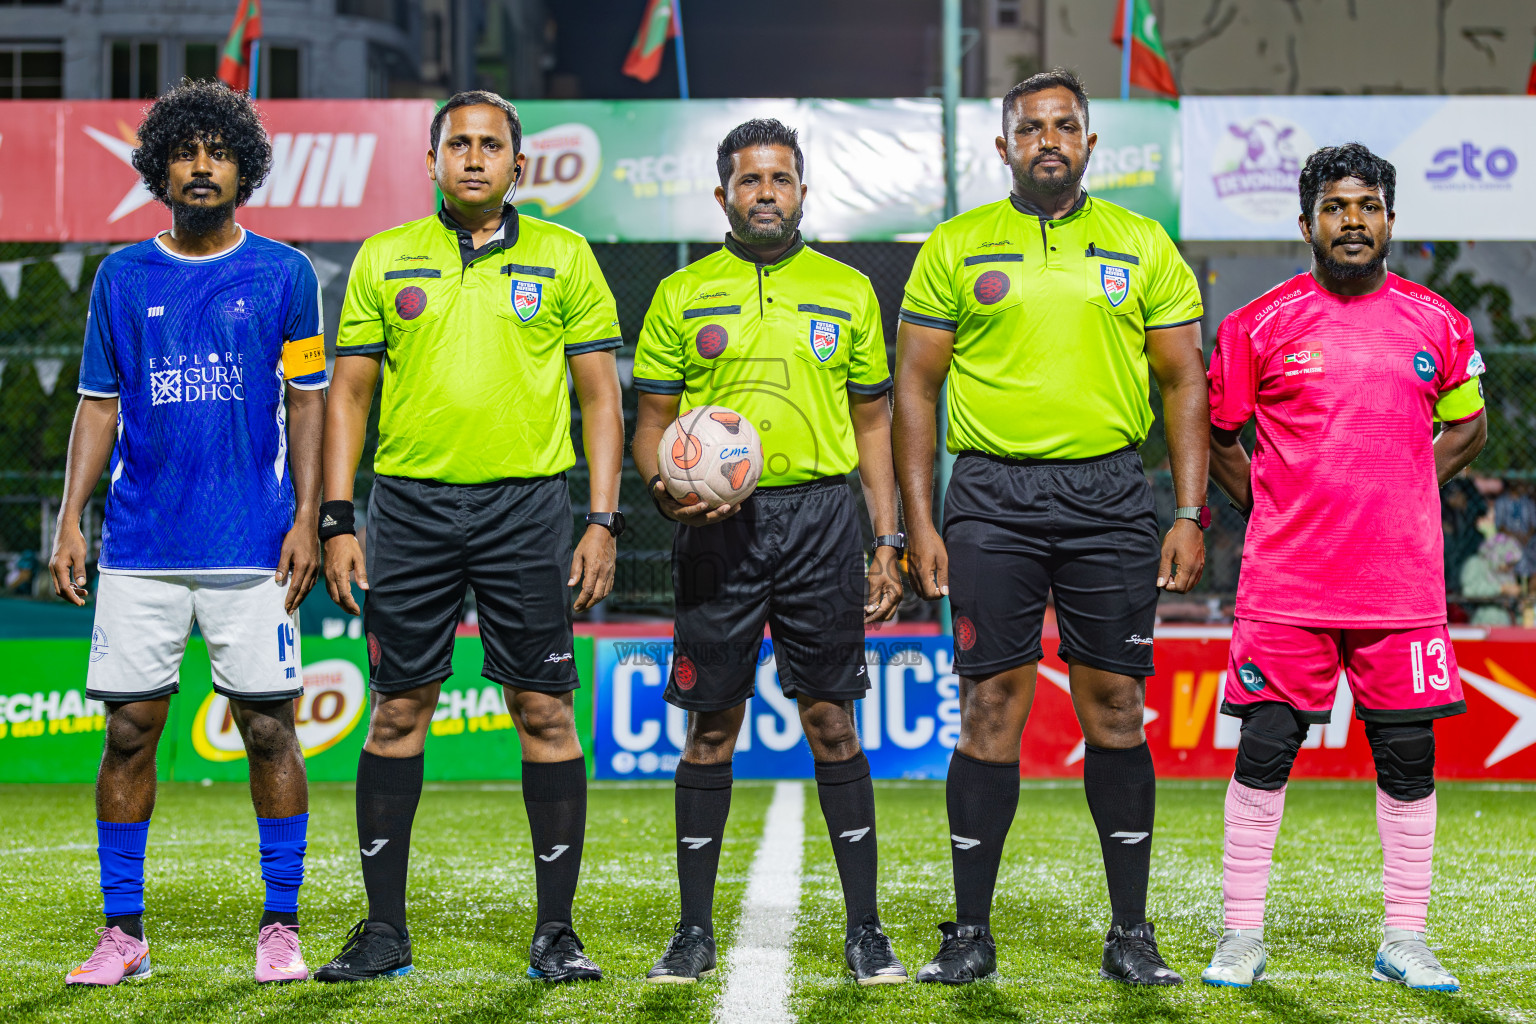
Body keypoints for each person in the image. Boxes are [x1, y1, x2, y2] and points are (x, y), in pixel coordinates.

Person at [892, 68, 1208, 986]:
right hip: (991, 498)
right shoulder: (956, 245)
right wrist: (920, 517)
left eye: (1064, 125)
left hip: (1111, 496)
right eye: (1029, 128)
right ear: (1003, 146)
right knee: (991, 708)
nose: (1048, 140)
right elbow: (914, 385)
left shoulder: (1142, 242)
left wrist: (1186, 511)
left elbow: (1185, 380)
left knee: (1115, 706)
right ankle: (971, 934)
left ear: (1089, 142)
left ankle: (1131, 934)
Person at [314, 91, 625, 984]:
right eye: (460, 144)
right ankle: (383, 932)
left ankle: (556, 933)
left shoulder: (564, 258)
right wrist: (340, 517)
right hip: (408, 508)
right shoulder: (385, 257)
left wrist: (601, 520)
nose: (476, 157)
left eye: (493, 145)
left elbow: (602, 398)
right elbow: (350, 397)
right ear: (433, 161)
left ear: (518, 166)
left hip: (528, 509)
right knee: (400, 707)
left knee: (545, 710)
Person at [51, 80, 325, 985]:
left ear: (244, 168)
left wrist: (310, 521)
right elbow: (97, 407)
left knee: (270, 732)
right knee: (129, 731)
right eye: (185, 150)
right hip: (142, 546)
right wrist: (70, 521)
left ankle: (279, 926)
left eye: (219, 151)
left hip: (253, 545)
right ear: (159, 166)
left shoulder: (286, 274)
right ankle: (123, 933)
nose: (202, 164)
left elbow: (309, 405)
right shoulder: (122, 278)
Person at [1203, 143, 1487, 991]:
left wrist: (1401, 487)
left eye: (1367, 205)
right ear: (1306, 224)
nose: (1352, 220)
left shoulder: (1439, 322)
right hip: (1287, 586)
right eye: (1335, 207)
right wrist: (1281, 505)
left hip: (1399, 590)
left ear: (1391, 220)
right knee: (1265, 749)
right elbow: (1220, 439)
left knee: (1407, 759)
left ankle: (1406, 937)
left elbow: (1468, 428)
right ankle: (1240, 935)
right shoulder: (1257, 325)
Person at [630, 119, 907, 985]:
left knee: (831, 721)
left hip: (823, 519)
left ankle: (865, 929)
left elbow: (873, 425)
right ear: (723, 196)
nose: (766, 193)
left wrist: (888, 541)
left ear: (801, 190)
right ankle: (692, 931)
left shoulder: (847, 290)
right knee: (711, 726)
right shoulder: (682, 294)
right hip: (719, 530)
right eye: (750, 181)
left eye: (780, 179)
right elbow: (650, 425)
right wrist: (664, 488)